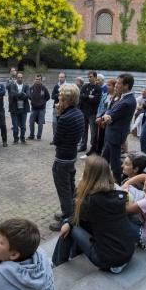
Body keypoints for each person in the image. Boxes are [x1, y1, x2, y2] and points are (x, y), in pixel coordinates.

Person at [52, 155, 135, 274]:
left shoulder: (91, 201)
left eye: (84, 171)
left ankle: (57, 262)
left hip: (109, 261)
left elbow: (75, 215)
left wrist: (79, 189)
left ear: (89, 176)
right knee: (78, 223)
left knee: (69, 226)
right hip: (127, 252)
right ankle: (74, 253)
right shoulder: (117, 192)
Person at [49, 84, 85, 232]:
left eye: (60, 97)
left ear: (66, 100)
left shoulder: (64, 118)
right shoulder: (79, 113)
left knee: (63, 190)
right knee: (70, 186)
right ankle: (72, 211)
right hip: (72, 156)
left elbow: (56, 140)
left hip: (62, 159)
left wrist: (58, 115)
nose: (58, 100)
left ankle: (67, 219)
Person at [101, 73, 137, 183]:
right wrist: (107, 115)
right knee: (104, 159)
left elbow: (110, 116)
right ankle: (101, 178)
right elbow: (109, 110)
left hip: (115, 135)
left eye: (119, 83)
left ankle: (118, 183)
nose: (116, 85)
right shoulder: (121, 97)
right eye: (116, 83)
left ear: (126, 86)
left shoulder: (127, 101)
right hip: (112, 134)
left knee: (115, 162)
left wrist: (107, 116)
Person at [84, 78, 117, 158]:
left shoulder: (116, 98)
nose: (107, 87)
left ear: (114, 86)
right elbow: (100, 106)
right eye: (107, 85)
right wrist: (98, 116)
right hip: (100, 117)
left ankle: (103, 155)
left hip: (106, 120)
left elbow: (109, 109)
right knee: (97, 136)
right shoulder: (105, 95)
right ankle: (94, 152)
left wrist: (102, 118)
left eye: (109, 85)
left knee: (104, 138)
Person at [78, 71, 102, 153]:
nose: (89, 78)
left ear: (95, 77)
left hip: (92, 113)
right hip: (84, 111)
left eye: (91, 76)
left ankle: (93, 147)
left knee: (93, 131)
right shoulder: (85, 86)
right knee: (83, 130)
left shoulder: (98, 88)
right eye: (88, 77)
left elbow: (96, 100)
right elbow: (81, 96)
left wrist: (86, 97)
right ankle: (83, 145)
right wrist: (89, 96)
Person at [8, 72, 30, 144]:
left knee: (23, 125)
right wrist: (22, 94)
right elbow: (12, 94)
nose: (20, 78)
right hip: (14, 109)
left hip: (23, 109)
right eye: (18, 77)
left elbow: (28, 95)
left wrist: (18, 95)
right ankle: (16, 139)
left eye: (21, 77)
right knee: (15, 126)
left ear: (23, 78)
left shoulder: (26, 86)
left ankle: (23, 139)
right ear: (16, 78)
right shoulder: (12, 85)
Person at [28, 74, 50, 140]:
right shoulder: (31, 88)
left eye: (39, 79)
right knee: (31, 122)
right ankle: (32, 135)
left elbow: (48, 97)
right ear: (34, 80)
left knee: (40, 123)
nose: (37, 80)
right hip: (34, 108)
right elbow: (29, 96)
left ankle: (39, 136)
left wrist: (43, 102)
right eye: (36, 79)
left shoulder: (44, 88)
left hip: (42, 109)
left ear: (41, 80)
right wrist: (33, 101)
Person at [50, 72, 68, 144]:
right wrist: (59, 94)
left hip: (64, 108)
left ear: (65, 78)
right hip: (56, 107)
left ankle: (62, 139)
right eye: (59, 77)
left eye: (62, 77)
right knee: (54, 123)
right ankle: (55, 139)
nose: (60, 79)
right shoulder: (56, 86)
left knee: (63, 124)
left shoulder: (68, 86)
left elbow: (68, 97)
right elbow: (52, 96)